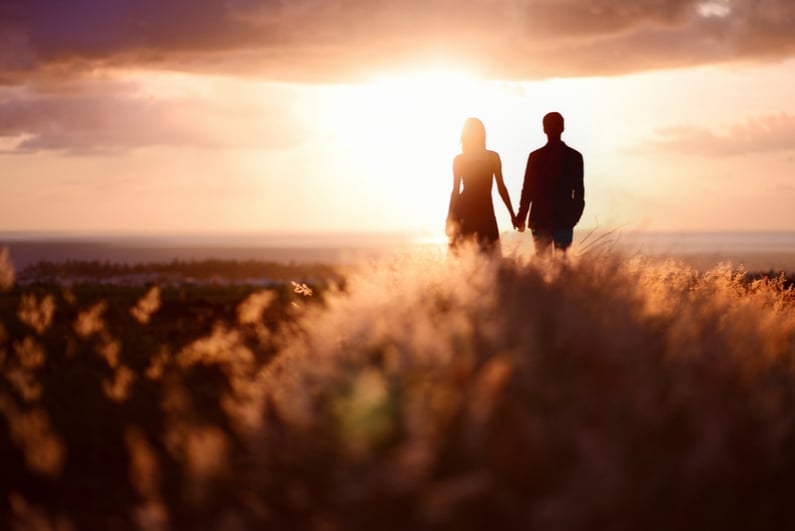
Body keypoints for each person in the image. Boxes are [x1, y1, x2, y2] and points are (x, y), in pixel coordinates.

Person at [515, 112, 584, 256]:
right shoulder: (535, 157)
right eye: (550, 125)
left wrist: (574, 217)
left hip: (564, 219)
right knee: (543, 264)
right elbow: (527, 189)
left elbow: (579, 191)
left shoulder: (574, 157)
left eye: (557, 124)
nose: (553, 128)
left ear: (562, 127)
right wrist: (521, 215)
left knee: (561, 265)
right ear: (544, 129)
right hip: (540, 219)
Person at [446, 117, 517, 254]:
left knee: (489, 254)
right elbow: (455, 191)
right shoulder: (461, 160)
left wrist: (512, 215)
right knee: (467, 255)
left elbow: (501, 187)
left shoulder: (491, 157)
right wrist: (449, 217)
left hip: (483, 212)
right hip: (467, 212)